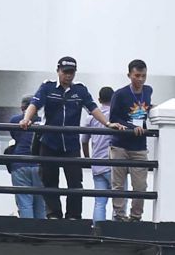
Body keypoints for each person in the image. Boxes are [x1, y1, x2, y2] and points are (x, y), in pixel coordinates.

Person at [20, 57, 110, 220]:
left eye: (72, 72)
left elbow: (93, 108)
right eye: (65, 72)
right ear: (58, 71)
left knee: (75, 182)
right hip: (49, 142)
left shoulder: (80, 90)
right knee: (49, 180)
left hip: (71, 143)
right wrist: (26, 118)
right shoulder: (47, 87)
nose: (68, 76)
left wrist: (108, 123)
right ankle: (54, 214)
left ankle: (73, 216)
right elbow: (35, 104)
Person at [104, 59, 152, 222]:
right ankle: (119, 215)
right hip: (120, 144)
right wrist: (131, 127)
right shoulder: (120, 94)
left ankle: (135, 217)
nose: (140, 79)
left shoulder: (148, 91)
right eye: (137, 76)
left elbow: (146, 108)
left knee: (140, 186)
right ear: (129, 75)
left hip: (139, 145)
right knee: (118, 184)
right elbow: (114, 118)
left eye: (143, 76)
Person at [7, 98, 45, 220]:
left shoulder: (15, 120)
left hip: (20, 163)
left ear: (22, 108)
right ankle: (41, 232)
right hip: (40, 165)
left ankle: (28, 233)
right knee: (40, 203)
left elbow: (14, 135)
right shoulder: (43, 122)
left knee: (25, 203)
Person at [84, 85, 116, 222]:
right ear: (114, 98)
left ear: (99, 99)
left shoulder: (90, 118)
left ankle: (97, 228)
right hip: (113, 164)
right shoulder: (115, 115)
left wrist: (88, 159)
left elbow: (84, 141)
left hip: (97, 164)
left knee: (99, 202)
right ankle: (118, 229)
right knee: (120, 199)